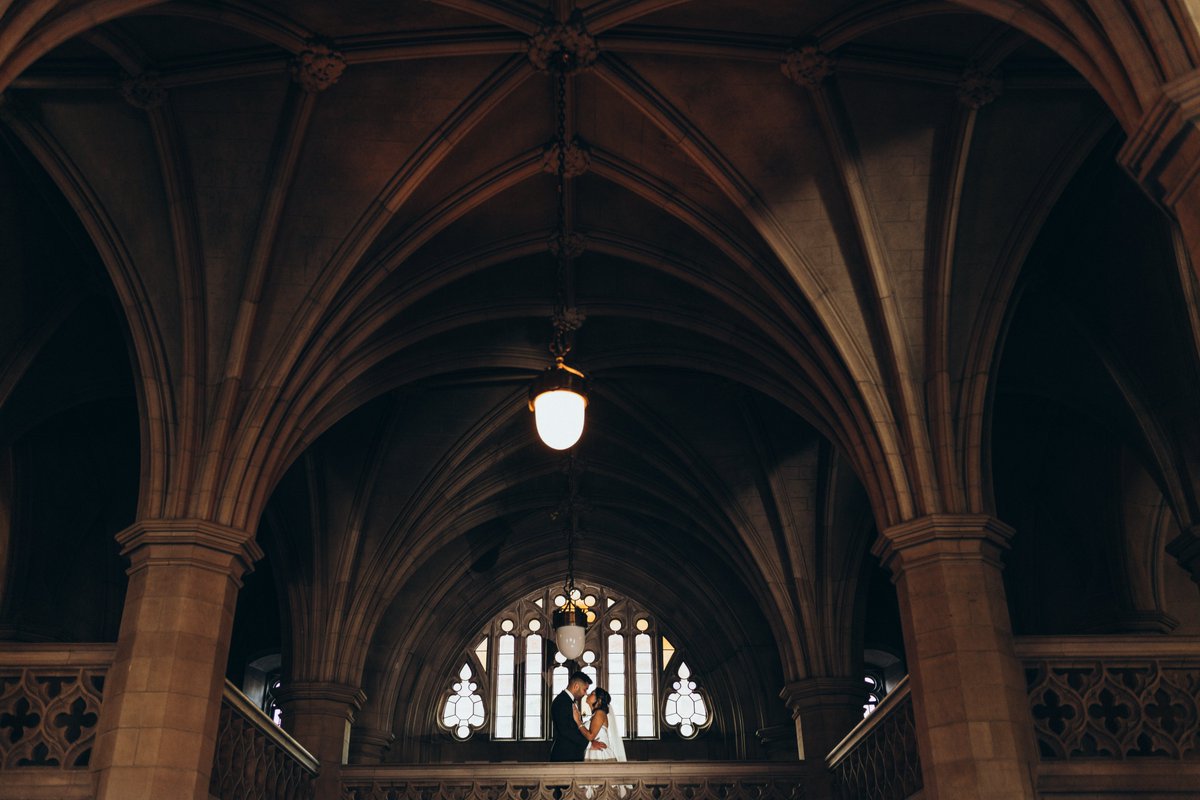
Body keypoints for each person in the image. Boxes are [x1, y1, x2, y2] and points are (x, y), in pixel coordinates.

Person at [549, 670, 607, 761]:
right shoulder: (561, 702)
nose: (585, 694)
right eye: (585, 689)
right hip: (563, 757)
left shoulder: (568, 701)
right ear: (576, 686)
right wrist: (590, 744)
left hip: (573, 756)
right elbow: (566, 730)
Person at [578, 687, 627, 762]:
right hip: (593, 750)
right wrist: (591, 743)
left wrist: (578, 722)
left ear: (599, 700)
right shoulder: (595, 715)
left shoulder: (599, 713)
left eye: (592, 693)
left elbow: (591, 735)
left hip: (599, 753)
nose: (587, 694)